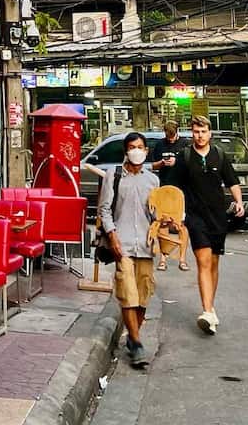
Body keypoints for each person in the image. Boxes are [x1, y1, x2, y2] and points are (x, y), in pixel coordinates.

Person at [174, 116, 244, 335]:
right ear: (191, 133)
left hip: (218, 216)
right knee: (203, 261)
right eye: (195, 132)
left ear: (210, 133)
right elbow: (174, 187)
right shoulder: (184, 157)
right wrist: (175, 213)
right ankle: (206, 311)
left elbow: (232, 181)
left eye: (203, 131)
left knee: (213, 263)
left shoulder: (220, 155)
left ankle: (210, 309)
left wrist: (239, 202)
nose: (199, 135)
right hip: (195, 217)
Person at [98, 131, 158, 367]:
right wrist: (112, 235)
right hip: (121, 244)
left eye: (140, 147)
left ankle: (134, 339)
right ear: (126, 151)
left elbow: (155, 213)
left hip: (146, 245)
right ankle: (136, 341)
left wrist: (167, 221)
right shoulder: (113, 176)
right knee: (128, 294)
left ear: (145, 151)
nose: (136, 151)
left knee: (143, 296)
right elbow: (104, 209)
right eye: (132, 147)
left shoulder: (152, 181)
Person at [149, 121, 188, 272]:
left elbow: (189, 165)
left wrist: (177, 162)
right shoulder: (160, 145)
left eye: (172, 136)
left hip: (180, 191)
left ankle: (182, 259)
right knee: (162, 224)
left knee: (181, 226)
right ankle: (163, 259)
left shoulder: (185, 144)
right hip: (163, 188)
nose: (170, 139)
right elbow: (153, 165)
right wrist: (162, 163)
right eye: (168, 136)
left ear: (177, 132)